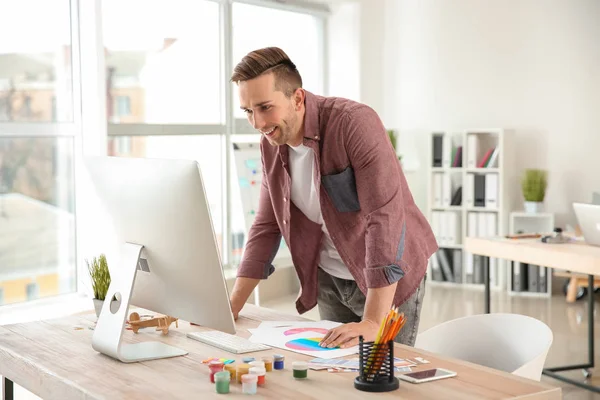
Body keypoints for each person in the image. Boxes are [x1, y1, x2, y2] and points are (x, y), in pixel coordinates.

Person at [228, 47, 437, 348]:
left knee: (382, 383)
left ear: (297, 98)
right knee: (335, 376)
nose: (258, 124)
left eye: (265, 107)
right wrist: (232, 304)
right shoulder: (271, 143)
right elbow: (266, 223)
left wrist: (374, 321)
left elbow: (384, 216)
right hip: (331, 278)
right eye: (248, 111)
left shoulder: (353, 123)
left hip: (388, 280)